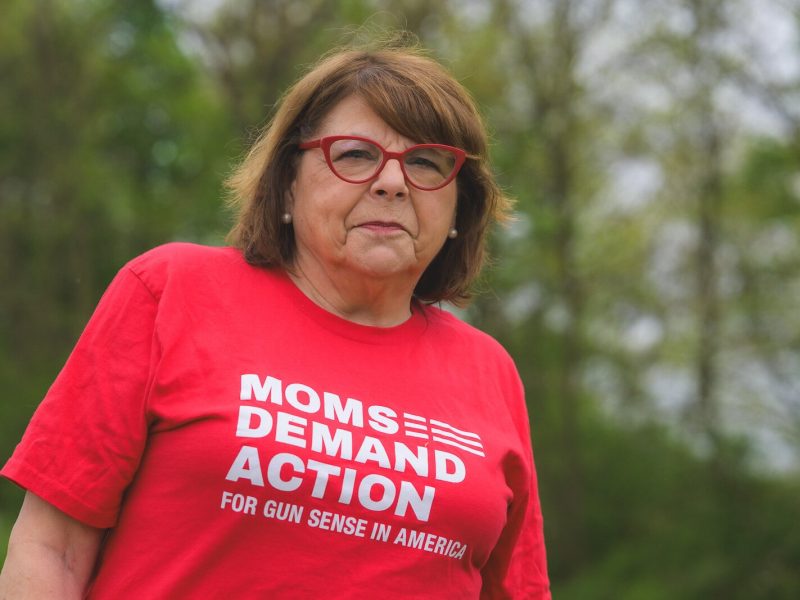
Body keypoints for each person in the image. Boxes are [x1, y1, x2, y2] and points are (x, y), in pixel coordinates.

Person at [0, 38, 551, 599]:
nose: (391, 182)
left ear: (460, 204)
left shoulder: (490, 371)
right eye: (356, 154)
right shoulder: (170, 292)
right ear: (288, 180)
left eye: (426, 163)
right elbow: (52, 550)